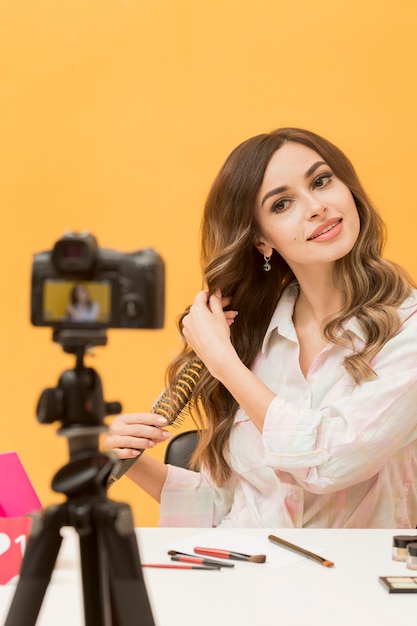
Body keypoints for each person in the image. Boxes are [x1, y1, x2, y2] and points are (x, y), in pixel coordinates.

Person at [104, 127, 417, 528]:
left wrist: (224, 363)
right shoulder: (253, 335)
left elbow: (330, 461)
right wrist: (130, 462)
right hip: (247, 579)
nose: (316, 206)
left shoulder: (405, 330)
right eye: (282, 204)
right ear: (261, 241)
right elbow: (234, 506)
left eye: (321, 181)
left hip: (352, 583)